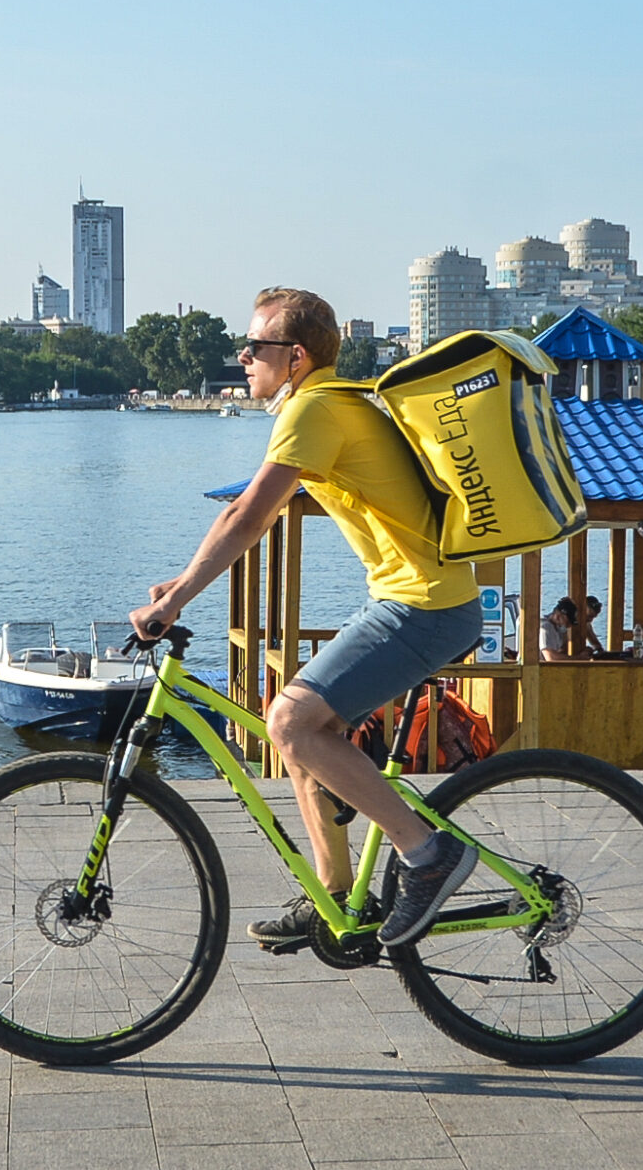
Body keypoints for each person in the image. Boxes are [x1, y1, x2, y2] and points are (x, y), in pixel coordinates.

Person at [132, 287, 480, 953]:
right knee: (294, 722)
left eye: (254, 346)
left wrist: (173, 605)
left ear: (293, 356)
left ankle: (427, 853)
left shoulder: (314, 407)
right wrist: (180, 582)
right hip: (413, 598)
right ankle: (334, 896)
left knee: (290, 722)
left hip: (424, 603)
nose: (242, 357)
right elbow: (246, 509)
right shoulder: (324, 403)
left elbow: (250, 514)